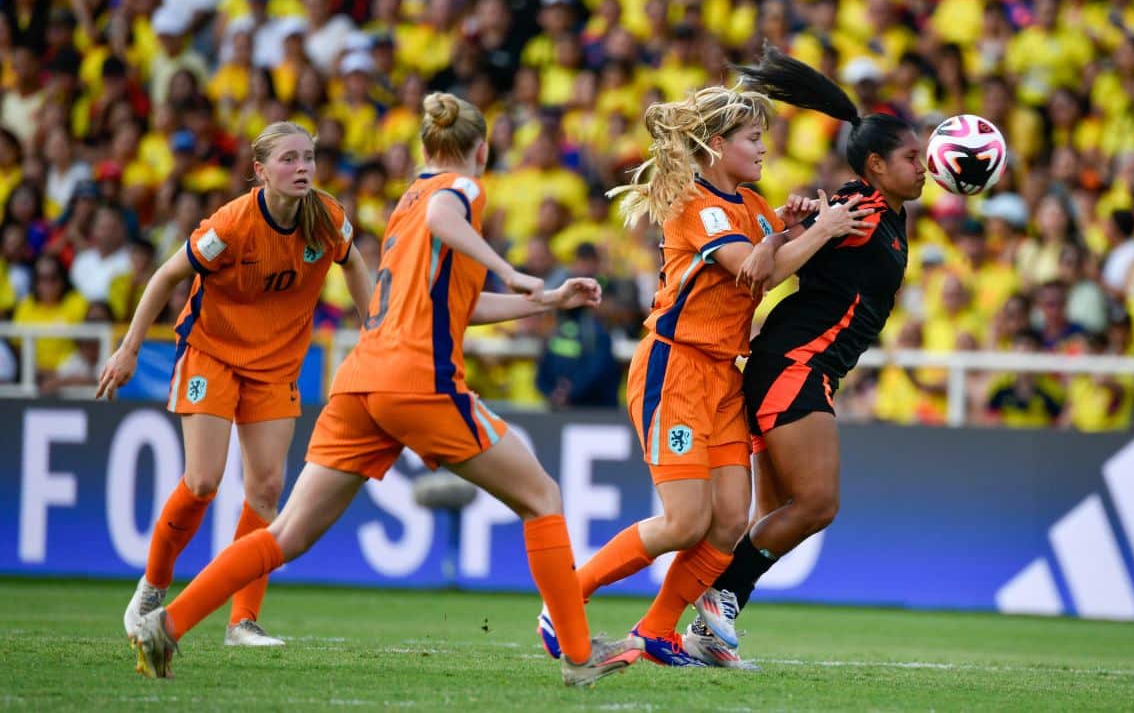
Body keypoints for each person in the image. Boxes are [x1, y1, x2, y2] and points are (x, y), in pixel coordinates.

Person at [123, 94, 633, 687]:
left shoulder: (407, 199)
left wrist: (541, 300)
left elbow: (450, 305)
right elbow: (451, 215)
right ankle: (578, 657)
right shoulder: (459, 191)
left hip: (361, 380)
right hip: (418, 381)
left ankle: (168, 624)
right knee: (542, 497)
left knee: (285, 533)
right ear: (482, 150)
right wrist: (514, 270)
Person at [542, 58, 874, 667]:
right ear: (717, 145)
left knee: (726, 525)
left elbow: (769, 246)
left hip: (724, 376)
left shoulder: (748, 204)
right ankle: (564, 598)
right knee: (684, 522)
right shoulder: (699, 206)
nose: (763, 151)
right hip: (677, 368)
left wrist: (793, 222)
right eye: (753, 140)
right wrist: (819, 230)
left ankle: (656, 631)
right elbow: (758, 269)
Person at [687, 46, 926, 666]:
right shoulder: (862, 212)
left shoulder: (880, 211)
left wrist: (799, 222)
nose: (925, 167)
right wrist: (797, 228)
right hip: (796, 365)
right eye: (912, 158)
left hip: (794, 364)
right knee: (817, 504)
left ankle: (707, 627)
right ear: (877, 165)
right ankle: (716, 600)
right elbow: (780, 259)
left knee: (774, 513)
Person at [100, 122, 372, 648]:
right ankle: (153, 587)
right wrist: (130, 347)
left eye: (309, 158)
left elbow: (356, 265)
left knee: (267, 490)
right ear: (260, 171)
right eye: (289, 159)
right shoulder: (232, 223)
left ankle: (241, 622)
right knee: (203, 480)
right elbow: (165, 277)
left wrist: (373, 329)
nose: (302, 169)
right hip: (212, 353)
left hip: (275, 365)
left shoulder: (327, 217)